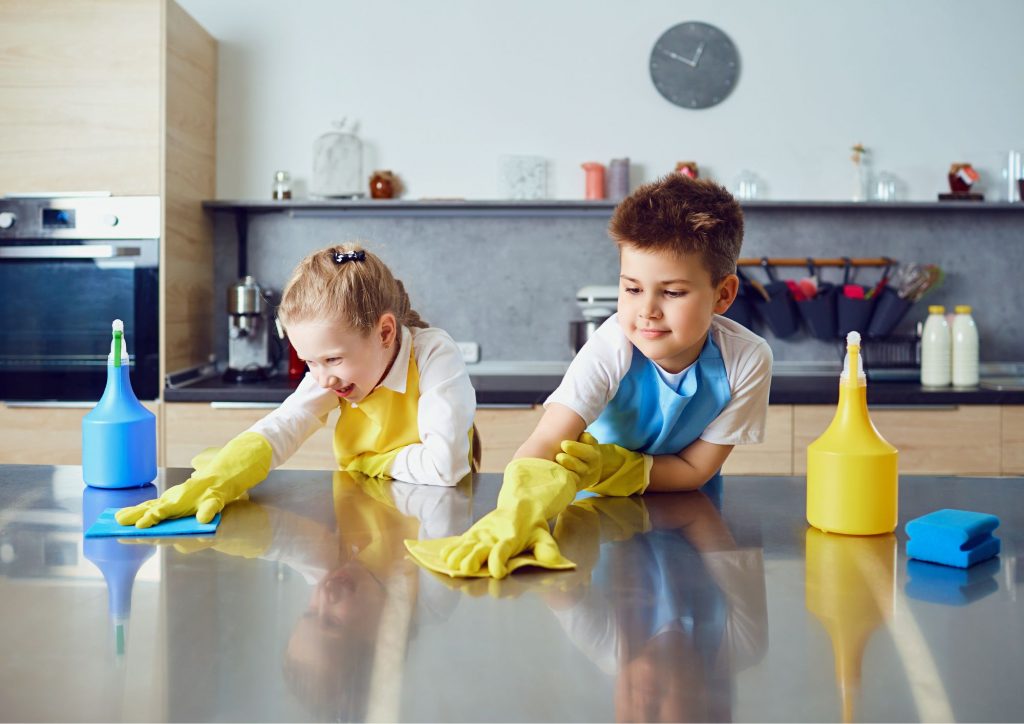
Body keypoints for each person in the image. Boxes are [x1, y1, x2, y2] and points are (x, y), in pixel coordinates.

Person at [407, 174, 772, 578]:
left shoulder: (747, 360)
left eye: (671, 292)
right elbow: (547, 441)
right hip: (591, 520)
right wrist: (515, 514)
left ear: (723, 294)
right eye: (632, 289)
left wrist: (613, 466)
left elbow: (695, 470)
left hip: (688, 523)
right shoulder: (611, 346)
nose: (646, 310)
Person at [117, 244, 478, 529]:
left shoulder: (432, 353)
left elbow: (445, 468)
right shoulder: (334, 373)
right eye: (309, 362)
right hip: (367, 519)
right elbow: (284, 424)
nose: (322, 378)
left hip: (437, 523)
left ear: (384, 332)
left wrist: (370, 462)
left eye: (333, 359)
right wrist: (222, 475)